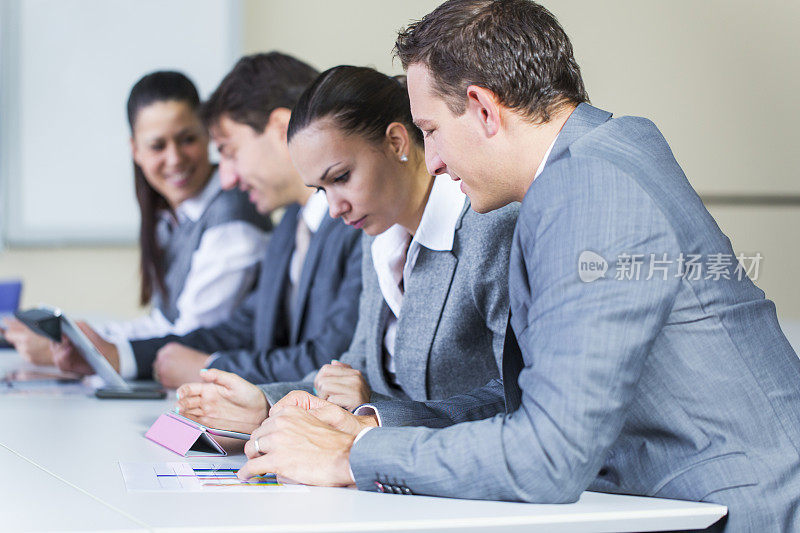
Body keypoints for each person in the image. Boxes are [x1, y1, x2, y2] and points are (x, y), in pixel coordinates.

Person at [235, 2, 800, 530]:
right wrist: (375, 426)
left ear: (483, 108)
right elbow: (528, 398)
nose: (431, 161)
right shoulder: (595, 158)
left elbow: (548, 457)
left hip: (737, 513)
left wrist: (352, 456)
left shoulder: (589, 190)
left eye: (429, 130)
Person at [174, 66, 517, 433]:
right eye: (321, 190)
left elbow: (514, 396)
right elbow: (349, 379)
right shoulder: (379, 238)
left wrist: (373, 417)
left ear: (397, 142)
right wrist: (266, 402)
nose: (335, 208)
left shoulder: (490, 228)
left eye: (340, 178)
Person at [53, 53, 363, 390]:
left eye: (230, 152)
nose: (226, 178)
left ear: (278, 130)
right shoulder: (291, 223)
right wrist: (122, 356)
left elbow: (333, 359)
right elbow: (242, 328)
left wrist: (211, 367)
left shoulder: (357, 224)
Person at [3, 71, 270, 371]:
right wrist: (81, 338)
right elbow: (162, 322)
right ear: (135, 150)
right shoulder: (171, 214)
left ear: (208, 134)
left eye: (188, 139)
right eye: (158, 146)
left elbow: (189, 335)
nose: (175, 159)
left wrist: (87, 349)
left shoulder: (232, 215)